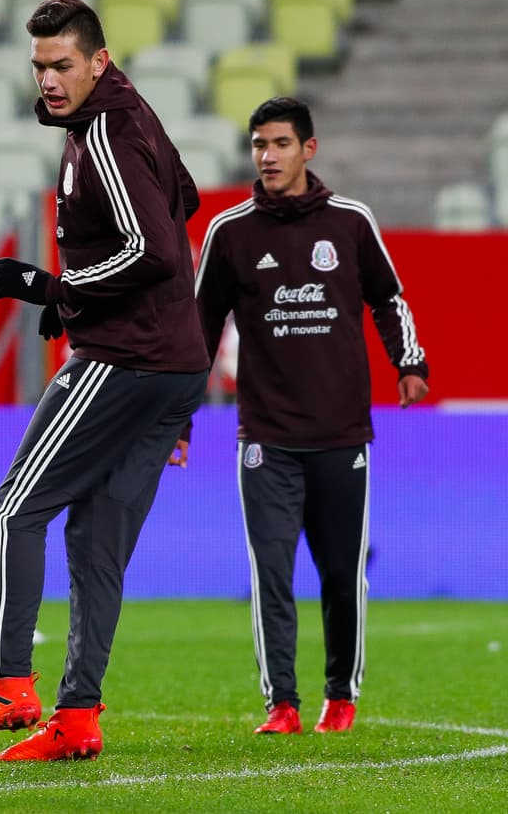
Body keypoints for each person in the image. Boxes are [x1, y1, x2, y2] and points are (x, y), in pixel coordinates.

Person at [0, 0, 209, 762]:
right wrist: (84, 292)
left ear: (98, 62)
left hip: (125, 357)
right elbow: (188, 198)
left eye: (62, 65)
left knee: (18, 506)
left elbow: (156, 249)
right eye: (40, 66)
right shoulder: (128, 113)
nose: (48, 79)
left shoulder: (106, 130)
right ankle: (78, 716)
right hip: (175, 365)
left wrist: (58, 288)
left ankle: (10, 683)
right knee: (97, 540)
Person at [181, 97, 428, 735]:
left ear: (308, 149)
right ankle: (282, 705)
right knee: (272, 575)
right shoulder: (229, 233)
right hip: (264, 437)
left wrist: (409, 360)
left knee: (342, 575)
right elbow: (199, 332)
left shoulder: (349, 222)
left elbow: (389, 297)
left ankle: (340, 695)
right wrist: (177, 416)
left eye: (281, 143)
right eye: (260, 143)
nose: (267, 155)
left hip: (342, 434)